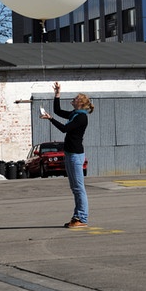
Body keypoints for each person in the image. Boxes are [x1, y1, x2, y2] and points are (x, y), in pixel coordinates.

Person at [41, 82, 94, 228]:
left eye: (76, 98)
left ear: (81, 103)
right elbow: (58, 110)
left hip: (76, 156)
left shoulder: (81, 118)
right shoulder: (74, 114)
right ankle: (77, 216)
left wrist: (50, 119)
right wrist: (57, 94)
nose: (74, 98)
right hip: (70, 154)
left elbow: (65, 129)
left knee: (79, 187)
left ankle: (82, 218)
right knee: (74, 187)